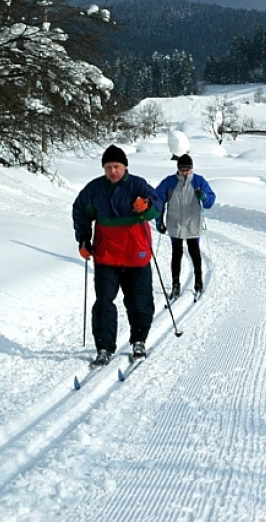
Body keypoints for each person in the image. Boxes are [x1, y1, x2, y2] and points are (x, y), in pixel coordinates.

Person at [72, 145, 163, 367]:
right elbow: (80, 211)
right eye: (109, 167)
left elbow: (158, 205)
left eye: (117, 166)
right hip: (107, 257)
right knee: (103, 303)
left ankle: (139, 340)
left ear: (125, 167)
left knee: (139, 302)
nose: (113, 171)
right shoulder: (94, 190)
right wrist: (84, 239)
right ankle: (104, 347)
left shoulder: (137, 185)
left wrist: (147, 206)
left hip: (136, 255)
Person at [155, 153, 216, 300]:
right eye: (182, 169)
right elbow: (157, 200)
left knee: (194, 252)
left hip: (193, 223)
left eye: (188, 169)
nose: (185, 172)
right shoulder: (169, 182)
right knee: (176, 254)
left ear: (192, 168)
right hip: (175, 223)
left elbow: (210, 200)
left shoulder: (198, 181)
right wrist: (159, 221)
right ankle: (175, 284)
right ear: (178, 169)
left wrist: (205, 197)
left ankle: (198, 282)